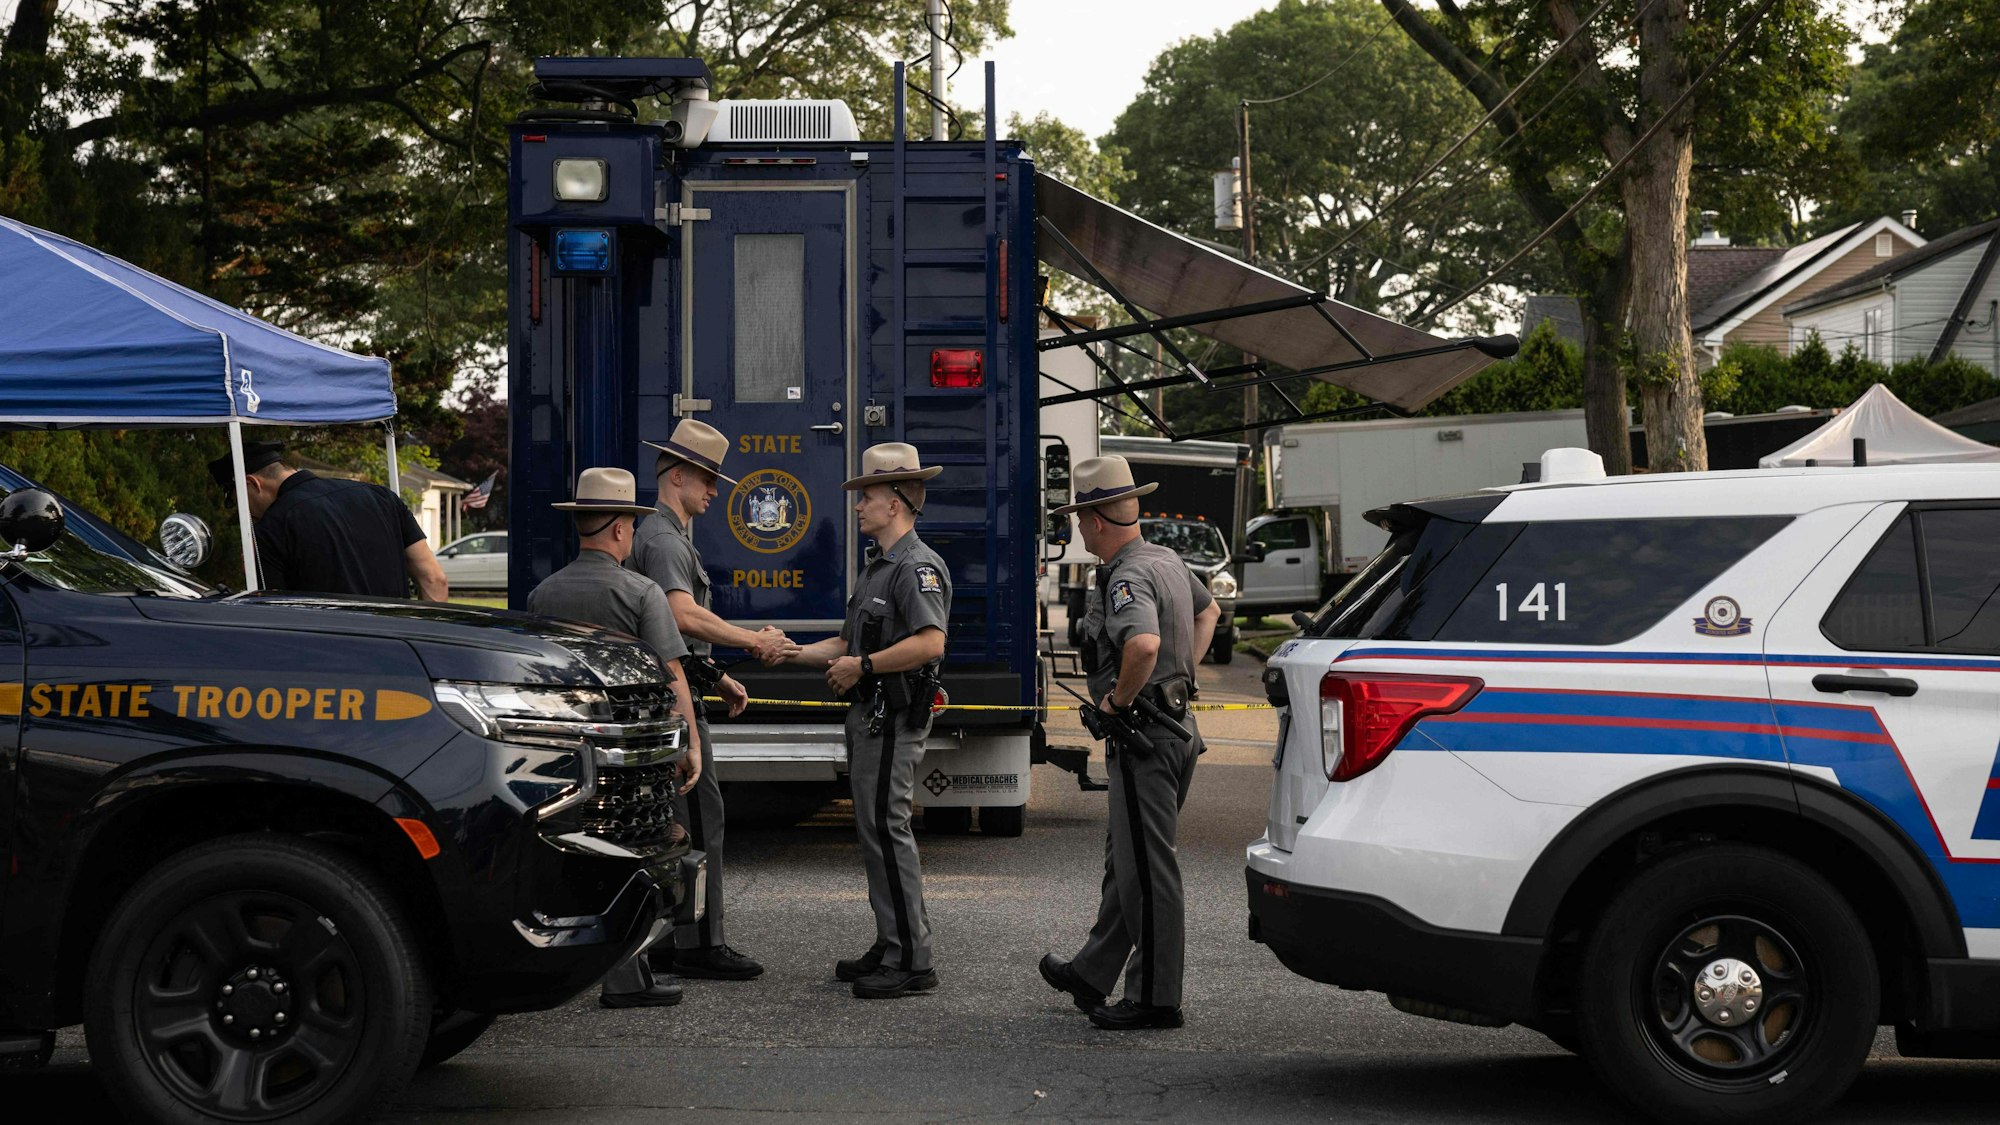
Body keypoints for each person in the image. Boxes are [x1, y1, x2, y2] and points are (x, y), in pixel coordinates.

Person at [1037, 455, 1219, 1030]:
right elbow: (1209, 611)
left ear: (1095, 520)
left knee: (1148, 869)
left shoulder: (1126, 576)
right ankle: (1093, 972)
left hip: (1144, 737)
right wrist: (1180, 678)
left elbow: (1141, 645)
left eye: (1078, 518)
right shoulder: (1165, 559)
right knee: (1129, 861)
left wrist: (1117, 702)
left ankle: (1156, 1000)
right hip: (1172, 729)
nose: (1077, 529)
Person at [524, 466, 707, 1009]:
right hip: (629, 755)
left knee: (574, 851)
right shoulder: (641, 591)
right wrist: (690, 745)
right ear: (622, 528)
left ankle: (565, 964)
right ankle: (626, 976)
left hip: (564, 748)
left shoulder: (542, 593)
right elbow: (672, 676)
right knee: (634, 850)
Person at [782, 443, 951, 999]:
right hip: (873, 717)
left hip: (893, 717)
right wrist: (789, 652)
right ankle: (893, 939)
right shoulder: (880, 567)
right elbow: (846, 644)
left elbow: (930, 642)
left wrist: (865, 666)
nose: (858, 506)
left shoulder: (916, 567)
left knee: (887, 830)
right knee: (875, 832)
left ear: (896, 503)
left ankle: (911, 960)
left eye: (867, 496)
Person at [630, 419, 796, 982]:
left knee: (679, 822)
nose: (715, 491)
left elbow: (667, 631)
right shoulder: (663, 540)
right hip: (672, 705)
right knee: (701, 821)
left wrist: (715, 675)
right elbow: (679, 616)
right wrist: (752, 640)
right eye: (707, 479)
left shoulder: (663, 537)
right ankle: (699, 944)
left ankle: (671, 936)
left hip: (673, 691)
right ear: (677, 475)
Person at [206, 441, 448, 601]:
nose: (246, 513)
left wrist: (253, 568)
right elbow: (434, 579)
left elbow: (273, 613)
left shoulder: (271, 528)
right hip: (400, 649)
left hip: (328, 658)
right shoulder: (382, 497)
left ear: (252, 483)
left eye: (237, 501)